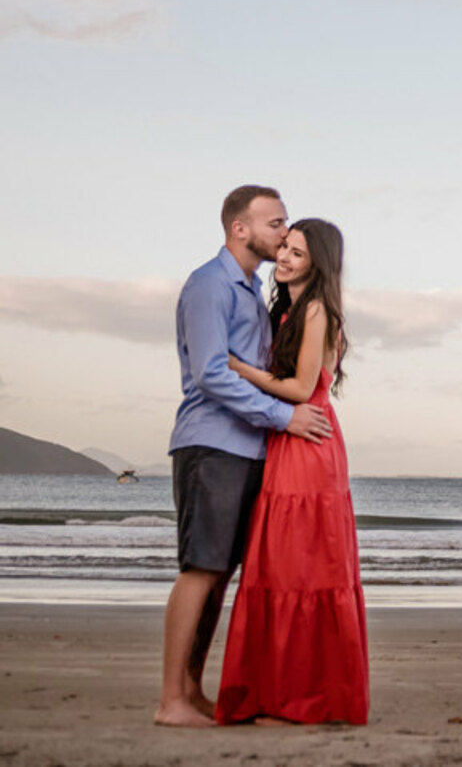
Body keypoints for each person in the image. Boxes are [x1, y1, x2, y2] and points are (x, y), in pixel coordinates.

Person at [157, 186, 333, 728]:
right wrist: (286, 418)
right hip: (212, 444)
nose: (284, 233)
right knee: (200, 568)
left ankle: (192, 690)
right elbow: (212, 373)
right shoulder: (210, 285)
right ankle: (171, 701)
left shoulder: (253, 290)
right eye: (276, 223)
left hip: (247, 447)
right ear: (241, 228)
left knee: (221, 570)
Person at [216, 217, 370, 725]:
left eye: (297, 254)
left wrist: (237, 367)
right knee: (282, 571)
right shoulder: (292, 310)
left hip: (308, 445)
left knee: (302, 573)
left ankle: (302, 701)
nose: (283, 258)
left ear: (317, 263)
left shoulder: (319, 311)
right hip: (291, 442)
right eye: (284, 248)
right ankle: (280, 694)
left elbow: (303, 389)